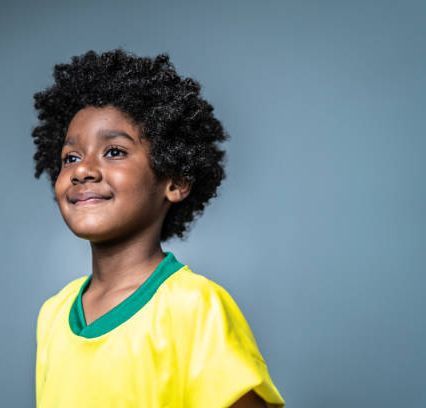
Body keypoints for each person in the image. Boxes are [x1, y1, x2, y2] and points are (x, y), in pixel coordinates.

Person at [31, 49, 285, 408]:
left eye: (114, 151)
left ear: (175, 181)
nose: (82, 170)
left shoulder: (193, 307)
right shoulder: (53, 315)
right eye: (71, 157)